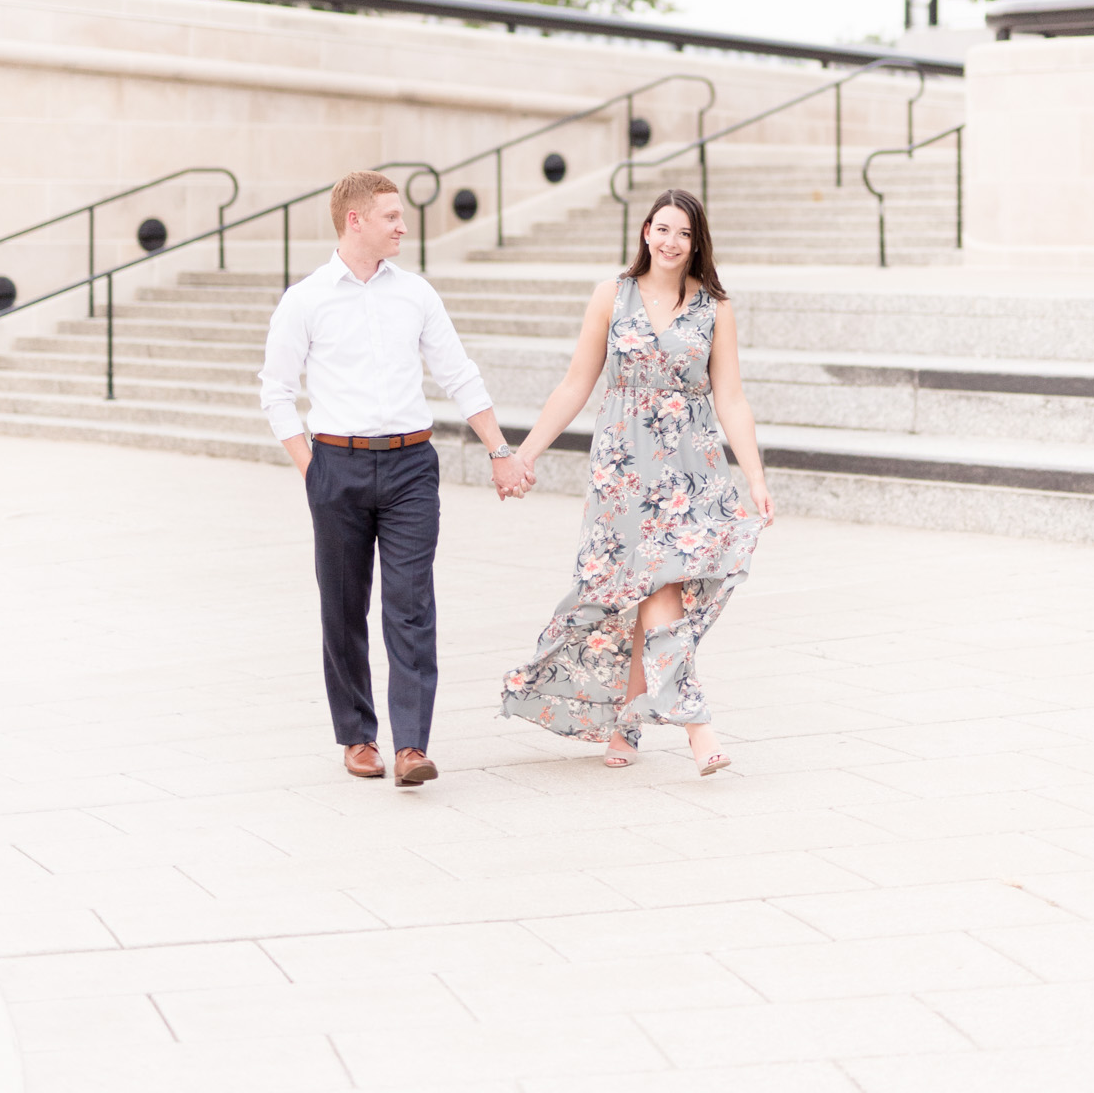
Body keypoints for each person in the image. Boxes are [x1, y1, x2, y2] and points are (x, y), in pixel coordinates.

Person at [260, 169, 531, 786]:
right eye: (391, 217)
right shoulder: (304, 300)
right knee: (344, 607)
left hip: (412, 466)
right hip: (337, 465)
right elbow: (276, 393)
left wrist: (500, 450)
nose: (403, 226)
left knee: (411, 606)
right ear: (355, 220)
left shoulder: (416, 294)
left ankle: (411, 745)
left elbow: (458, 373)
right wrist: (313, 471)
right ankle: (358, 736)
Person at [500, 188, 773, 775]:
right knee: (641, 593)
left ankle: (687, 729)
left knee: (660, 589)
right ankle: (648, 725)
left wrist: (754, 475)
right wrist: (523, 453)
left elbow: (731, 396)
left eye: (685, 234)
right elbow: (575, 384)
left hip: (691, 472)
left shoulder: (714, 307)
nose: (672, 242)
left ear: (696, 243)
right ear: (646, 231)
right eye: (664, 229)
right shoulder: (610, 296)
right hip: (624, 470)